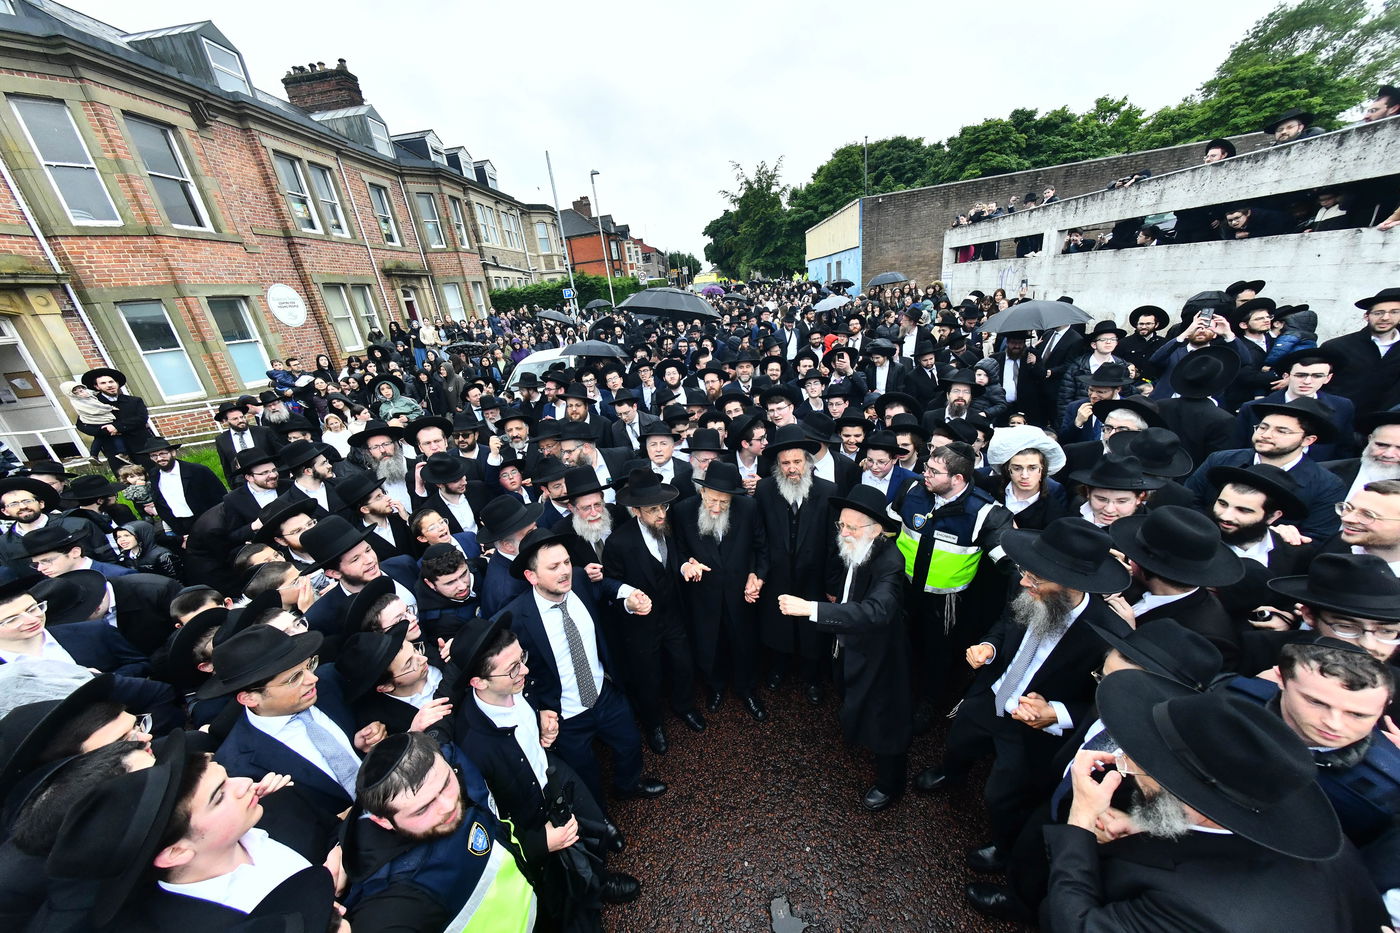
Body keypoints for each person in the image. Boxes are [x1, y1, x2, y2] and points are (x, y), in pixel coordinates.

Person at [1044, 668, 1387, 932]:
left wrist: (1081, 821)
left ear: (1183, 796)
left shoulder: (1194, 909)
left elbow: (1077, 924)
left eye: (1138, 764)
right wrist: (1145, 823)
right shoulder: (1329, 846)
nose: (1125, 764)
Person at [914, 518, 1132, 873]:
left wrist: (1057, 713)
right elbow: (1004, 625)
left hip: (1033, 728)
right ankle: (950, 774)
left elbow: (1107, 706)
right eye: (1024, 572)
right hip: (992, 694)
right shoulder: (1027, 588)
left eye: (1036, 578)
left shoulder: (1108, 635)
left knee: (1002, 796)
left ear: (1072, 585)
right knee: (959, 740)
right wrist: (989, 647)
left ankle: (1003, 848)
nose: (1023, 582)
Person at [455, 616, 641, 924]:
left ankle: (600, 880)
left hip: (552, 774)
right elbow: (486, 817)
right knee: (565, 882)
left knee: (590, 827)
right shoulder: (472, 745)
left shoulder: (519, 687)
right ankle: (588, 900)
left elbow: (536, 693)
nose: (525, 671)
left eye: (522, 659)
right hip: (530, 814)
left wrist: (543, 714)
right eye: (513, 668)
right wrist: (539, 842)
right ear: (479, 682)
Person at [500, 528, 665, 805]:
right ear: (531, 576)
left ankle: (628, 785)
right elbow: (493, 650)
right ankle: (599, 818)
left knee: (629, 743)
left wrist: (628, 598)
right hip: (565, 714)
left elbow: (604, 587)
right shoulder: (517, 617)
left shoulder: (578, 580)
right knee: (584, 773)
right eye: (553, 567)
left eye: (566, 561)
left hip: (603, 694)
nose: (565, 571)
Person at [779, 484, 911, 811]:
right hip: (850, 642)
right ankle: (856, 732)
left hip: (880, 654)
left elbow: (877, 611)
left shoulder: (891, 562)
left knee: (883, 717)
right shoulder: (859, 545)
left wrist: (811, 609)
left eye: (852, 527)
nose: (844, 532)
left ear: (877, 530)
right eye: (841, 525)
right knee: (852, 694)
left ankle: (890, 784)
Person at [340, 732, 537, 931]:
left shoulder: (440, 760)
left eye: (446, 784)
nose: (448, 805)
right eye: (423, 809)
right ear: (383, 821)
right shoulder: (397, 902)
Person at [603, 469, 703, 754]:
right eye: (652, 509)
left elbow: (677, 556)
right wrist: (629, 597)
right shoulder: (619, 542)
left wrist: (685, 566)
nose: (661, 514)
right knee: (648, 676)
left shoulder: (669, 526)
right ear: (636, 511)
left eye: (663, 507)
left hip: (672, 614)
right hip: (641, 623)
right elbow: (609, 582)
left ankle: (684, 706)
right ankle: (653, 723)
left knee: (683, 663)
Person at [671, 462, 768, 722]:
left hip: (740, 594)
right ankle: (715, 687)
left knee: (744, 644)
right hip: (703, 594)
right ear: (702, 492)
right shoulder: (682, 511)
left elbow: (761, 549)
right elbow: (678, 551)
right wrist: (686, 564)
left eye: (724, 502)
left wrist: (757, 576)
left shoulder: (748, 508)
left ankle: (746, 689)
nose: (716, 507)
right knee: (709, 644)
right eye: (712, 500)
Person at [754, 424, 839, 703]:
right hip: (777, 576)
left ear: (807, 462)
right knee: (777, 625)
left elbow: (832, 543)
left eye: (797, 461)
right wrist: (760, 573)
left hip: (813, 577)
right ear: (778, 465)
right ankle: (778, 668)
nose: (792, 469)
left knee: (811, 631)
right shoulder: (765, 490)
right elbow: (759, 536)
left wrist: (831, 584)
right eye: (785, 463)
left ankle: (812, 678)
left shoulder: (828, 490)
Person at [1185, 397, 1345, 539]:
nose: (1266, 435)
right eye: (1263, 427)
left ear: (1307, 440)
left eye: (1281, 431)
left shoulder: (1326, 485)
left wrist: (1279, 538)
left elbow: (1317, 538)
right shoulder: (1221, 459)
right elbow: (1189, 500)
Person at [1107, 505, 1246, 669]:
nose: (1130, 558)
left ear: (1145, 567)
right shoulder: (1130, 581)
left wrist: (1129, 636)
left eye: (1135, 555)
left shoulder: (1208, 638)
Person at [1319, 288, 1400, 414]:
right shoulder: (1337, 346)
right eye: (1378, 313)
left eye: (1394, 312)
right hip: (1340, 418)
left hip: (1387, 421)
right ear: (1366, 316)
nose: (1385, 317)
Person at [72, 367, 155, 473]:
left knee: (153, 475)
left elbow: (142, 418)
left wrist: (117, 427)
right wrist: (105, 430)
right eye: (103, 383)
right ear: (96, 386)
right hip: (115, 451)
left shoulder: (134, 401)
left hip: (141, 447)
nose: (109, 385)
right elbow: (82, 425)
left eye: (111, 382)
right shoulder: (91, 404)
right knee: (127, 481)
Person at [140, 436, 227, 537]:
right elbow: (159, 501)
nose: (159, 459)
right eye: (154, 456)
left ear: (173, 452)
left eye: (162, 454)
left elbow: (220, 496)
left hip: (207, 520)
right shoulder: (154, 474)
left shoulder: (197, 470)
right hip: (179, 525)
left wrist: (218, 521)